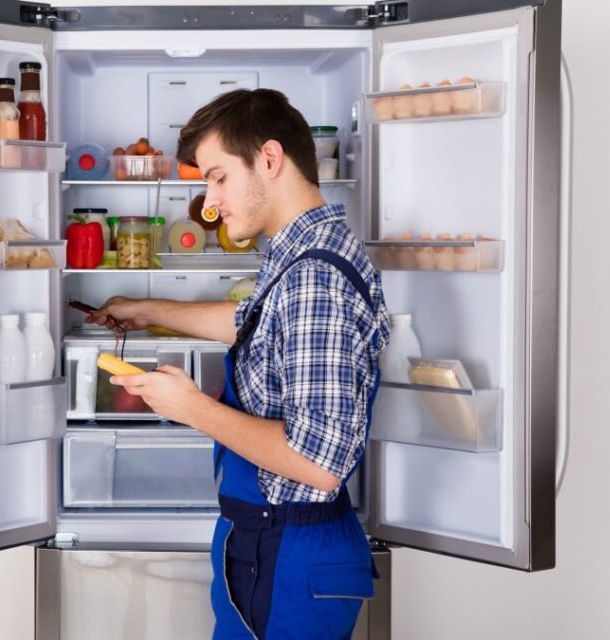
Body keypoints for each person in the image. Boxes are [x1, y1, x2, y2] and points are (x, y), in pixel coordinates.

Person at [88, 89, 390, 639]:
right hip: (271, 544)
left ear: (270, 159)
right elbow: (256, 322)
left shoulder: (315, 278)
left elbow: (320, 460)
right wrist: (147, 309)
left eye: (218, 176)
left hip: (289, 553)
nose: (210, 202)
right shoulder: (300, 252)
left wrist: (194, 409)